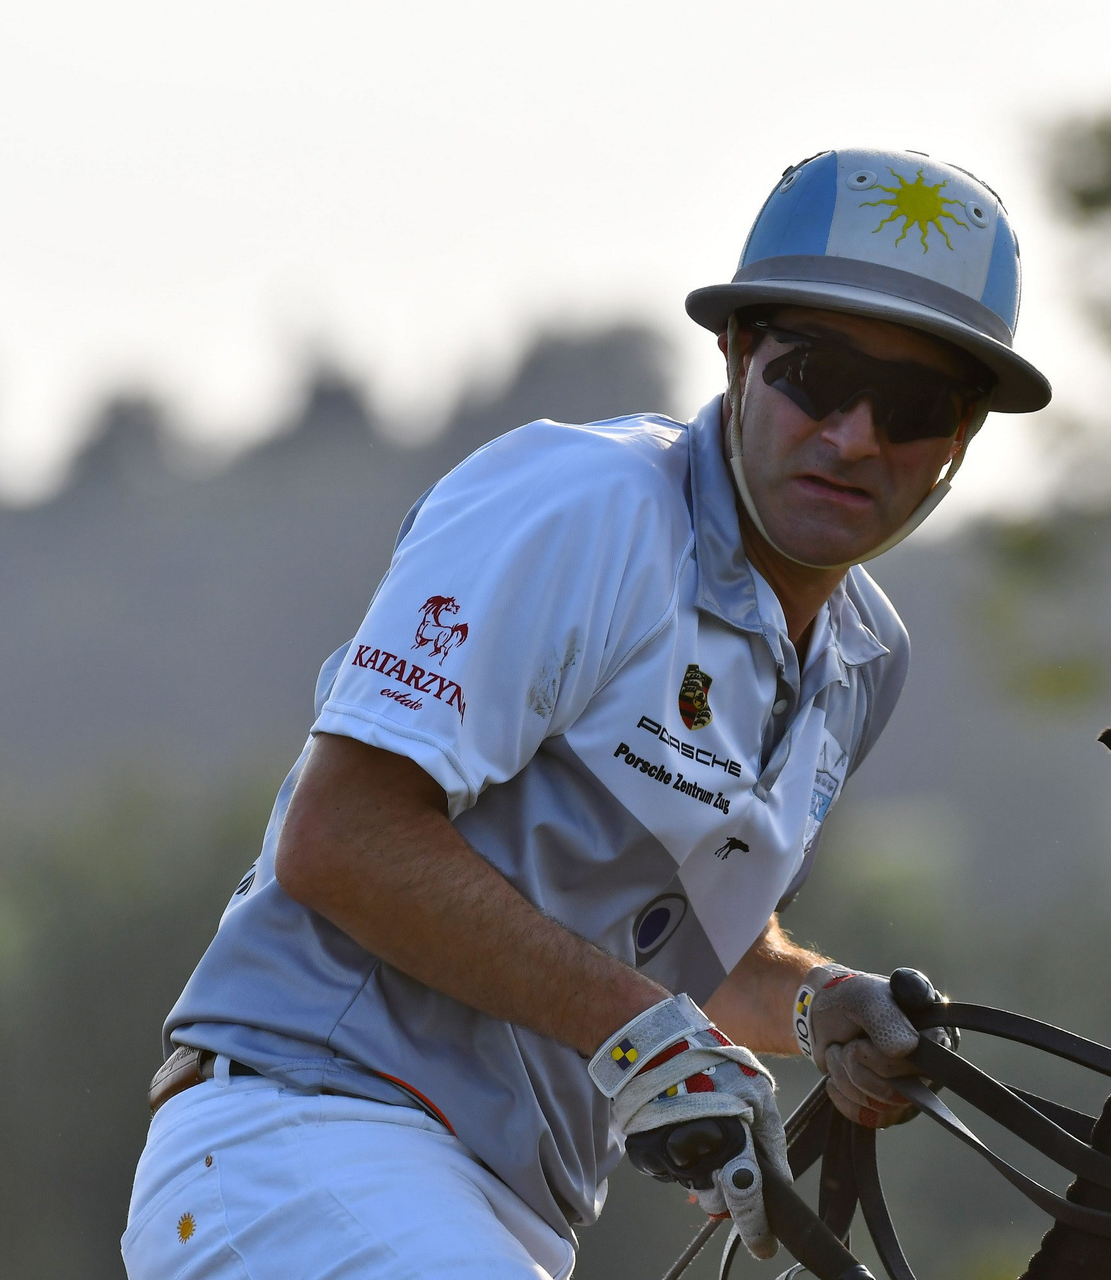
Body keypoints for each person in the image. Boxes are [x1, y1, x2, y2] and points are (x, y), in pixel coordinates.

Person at [122, 147, 1052, 1280]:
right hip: (312, 1135)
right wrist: (644, 1031)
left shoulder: (866, 657)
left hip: (504, 1212)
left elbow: (683, 961)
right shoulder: (590, 506)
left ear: (963, 436)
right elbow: (341, 836)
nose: (854, 436)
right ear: (737, 354)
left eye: (910, 407)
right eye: (816, 376)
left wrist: (815, 1003)